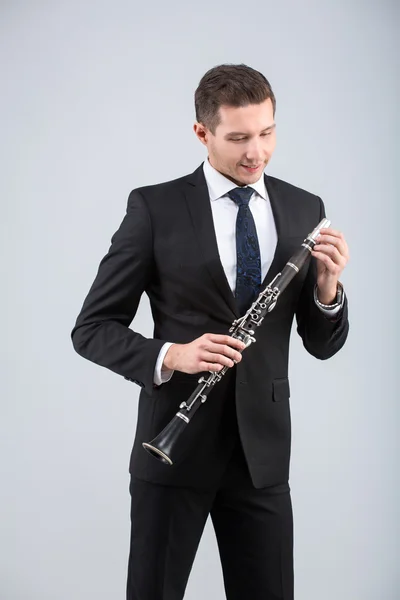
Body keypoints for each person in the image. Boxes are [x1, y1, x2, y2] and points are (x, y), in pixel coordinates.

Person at [71, 63, 349, 600]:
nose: (257, 152)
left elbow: (321, 343)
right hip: (172, 446)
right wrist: (171, 354)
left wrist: (328, 290)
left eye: (267, 133)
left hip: (261, 456)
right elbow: (92, 328)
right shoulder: (155, 208)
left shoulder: (303, 209)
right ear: (202, 133)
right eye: (239, 137)